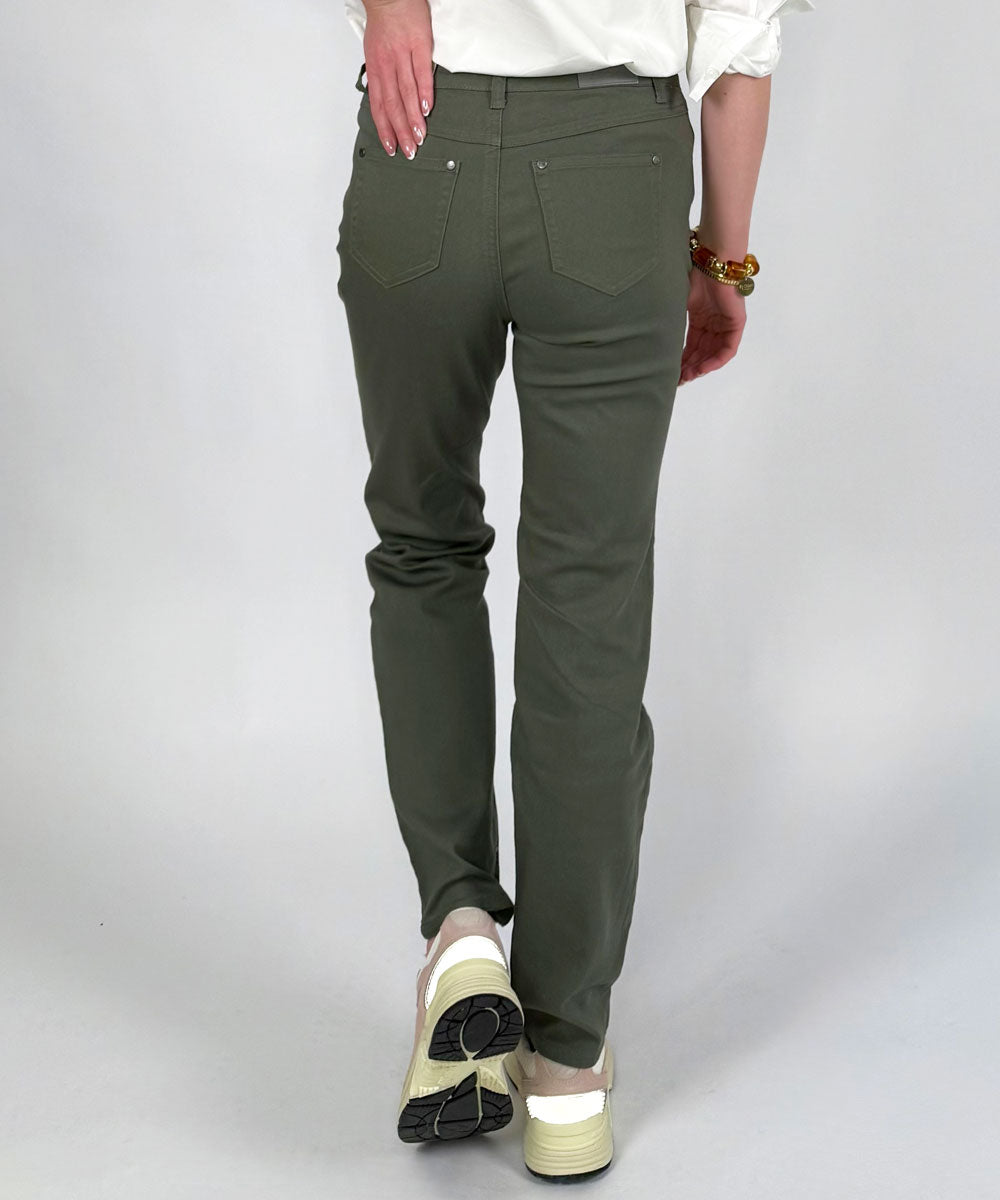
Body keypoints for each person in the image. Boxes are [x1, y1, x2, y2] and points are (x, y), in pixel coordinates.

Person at [335, 0, 815, 1181]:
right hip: (615, 176)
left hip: (419, 138)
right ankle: (565, 1065)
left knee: (424, 545)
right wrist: (723, 262)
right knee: (587, 595)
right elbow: (737, 50)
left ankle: (461, 929)